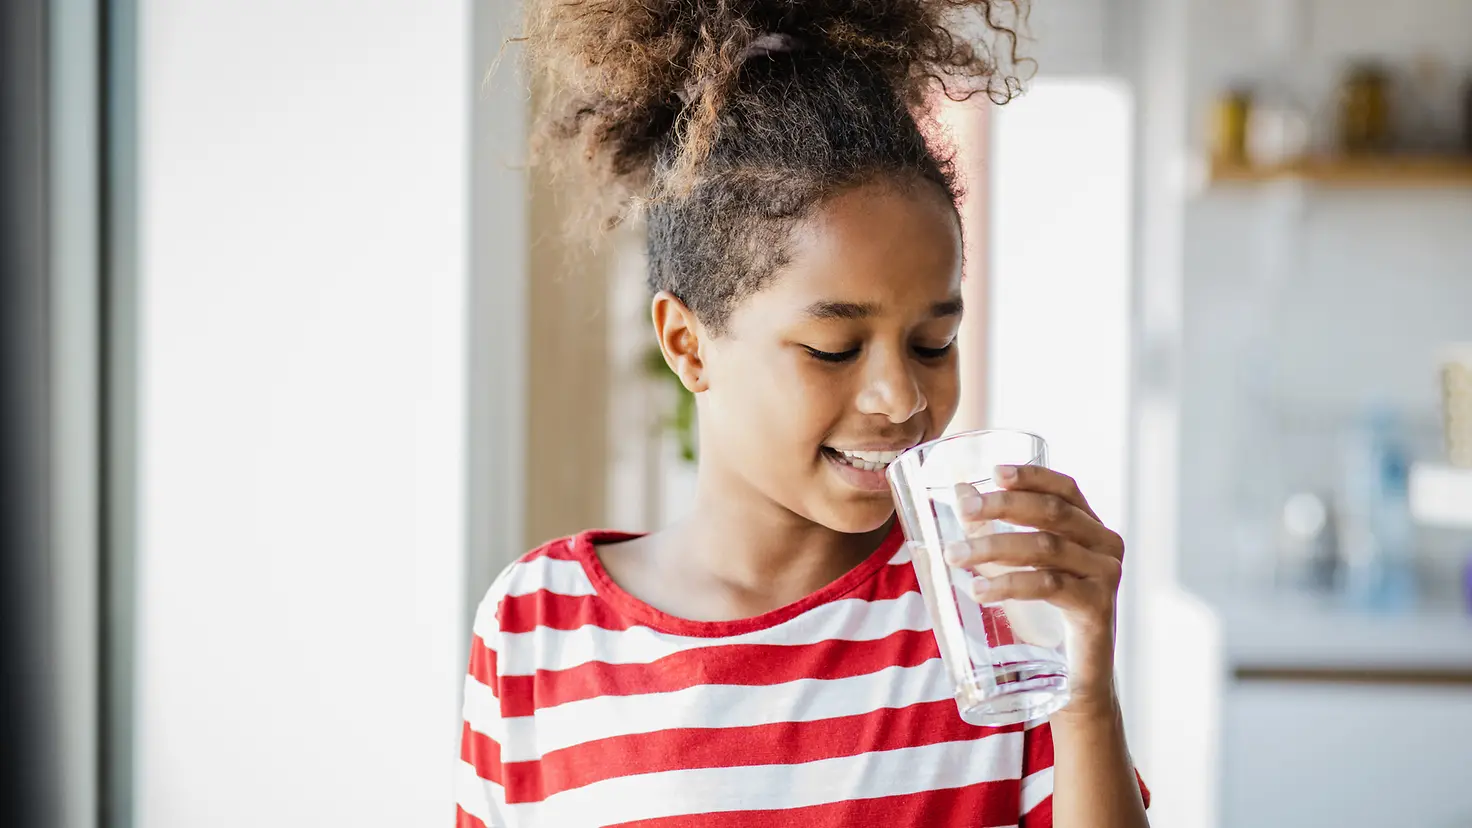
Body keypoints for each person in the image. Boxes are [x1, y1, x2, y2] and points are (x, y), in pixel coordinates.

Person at [456, 1, 1150, 825]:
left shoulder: (987, 618)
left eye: (934, 342)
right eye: (833, 348)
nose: (904, 400)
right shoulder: (538, 623)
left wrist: (1086, 695)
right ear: (688, 344)